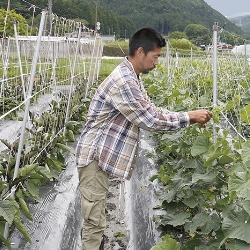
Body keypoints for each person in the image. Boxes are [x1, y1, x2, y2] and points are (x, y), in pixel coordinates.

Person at [75, 27, 212, 250]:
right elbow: (150, 120)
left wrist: (187, 116)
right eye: (155, 56)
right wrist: (189, 117)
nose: (157, 62)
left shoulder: (132, 76)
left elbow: (151, 109)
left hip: (99, 158)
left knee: (96, 218)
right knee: (94, 222)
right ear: (140, 52)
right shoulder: (124, 81)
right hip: (93, 158)